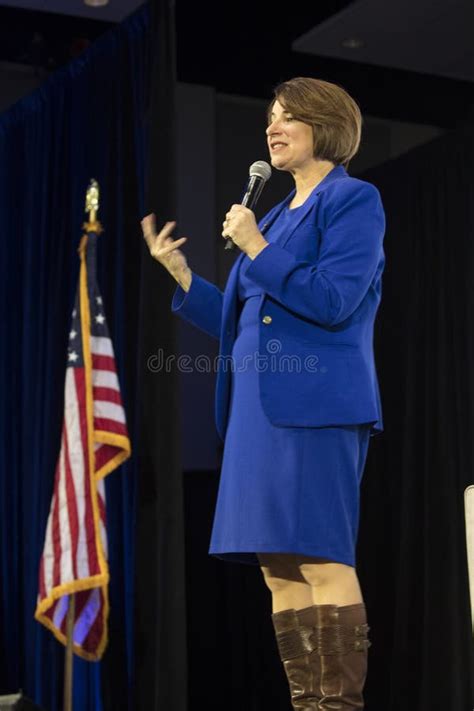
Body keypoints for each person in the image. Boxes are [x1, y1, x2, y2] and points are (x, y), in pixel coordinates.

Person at [141, 76, 386, 710]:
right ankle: (309, 704)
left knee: (321, 555)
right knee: (278, 568)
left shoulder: (353, 201)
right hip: (256, 414)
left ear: (326, 126)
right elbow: (247, 318)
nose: (272, 128)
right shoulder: (273, 215)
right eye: (270, 119)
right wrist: (187, 278)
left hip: (316, 407)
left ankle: (339, 707)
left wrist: (255, 245)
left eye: (288, 118)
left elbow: (333, 301)